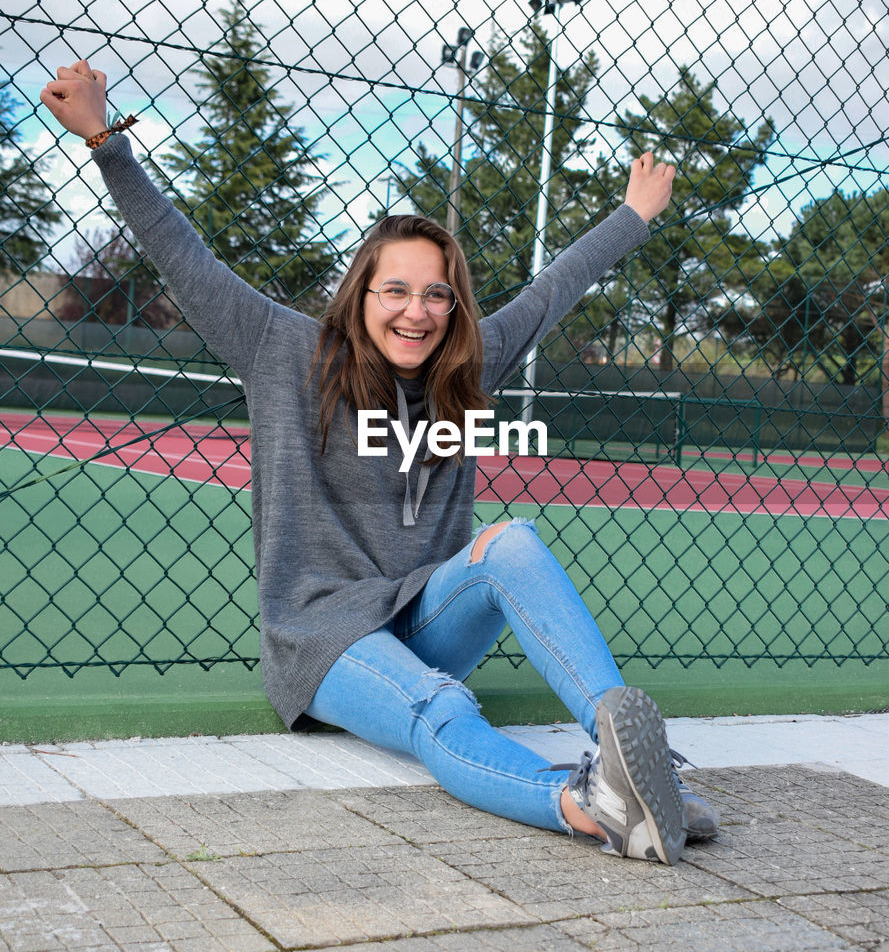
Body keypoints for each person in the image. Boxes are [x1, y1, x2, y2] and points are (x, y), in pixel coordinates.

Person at [41, 58, 718, 865]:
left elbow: (552, 289)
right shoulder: (283, 348)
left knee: (513, 544)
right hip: (323, 638)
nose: (417, 310)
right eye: (395, 291)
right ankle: (586, 807)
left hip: (419, 614)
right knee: (440, 706)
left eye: (437, 294)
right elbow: (183, 257)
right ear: (360, 294)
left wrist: (634, 214)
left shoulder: (469, 361)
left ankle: (641, 770)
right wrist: (105, 142)